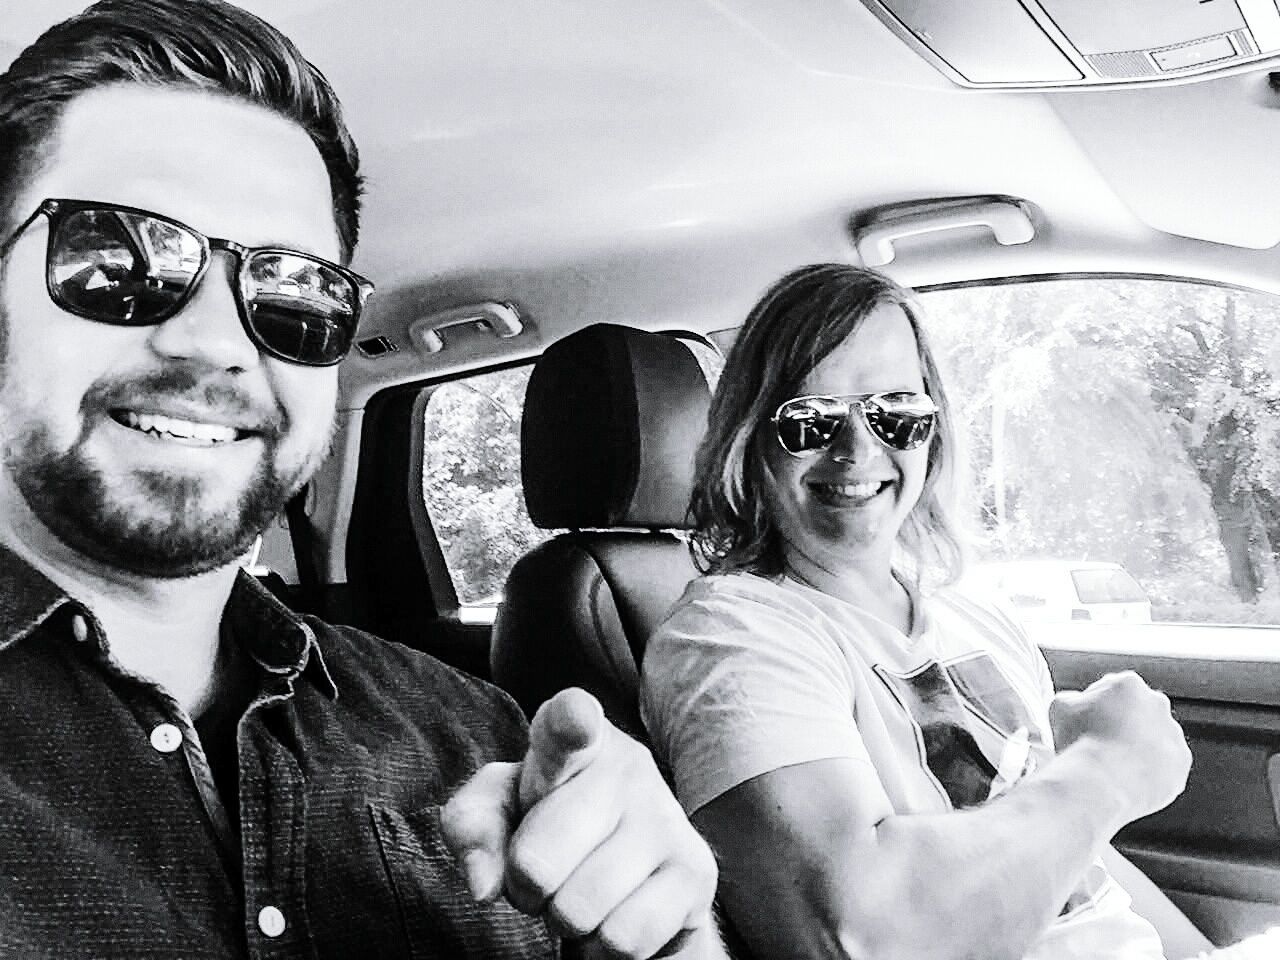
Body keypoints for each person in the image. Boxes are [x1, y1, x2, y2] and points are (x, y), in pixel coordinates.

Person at [0, 2, 722, 957]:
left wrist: (668, 940)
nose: (217, 343)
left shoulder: (478, 735)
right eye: (118, 259)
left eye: (292, 290)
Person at [640, 263, 1280, 959]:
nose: (857, 449)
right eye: (809, 420)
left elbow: (1076, 859)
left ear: (933, 430)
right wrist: (1108, 770)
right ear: (750, 436)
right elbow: (860, 936)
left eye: (896, 413)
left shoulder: (974, 615)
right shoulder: (729, 638)